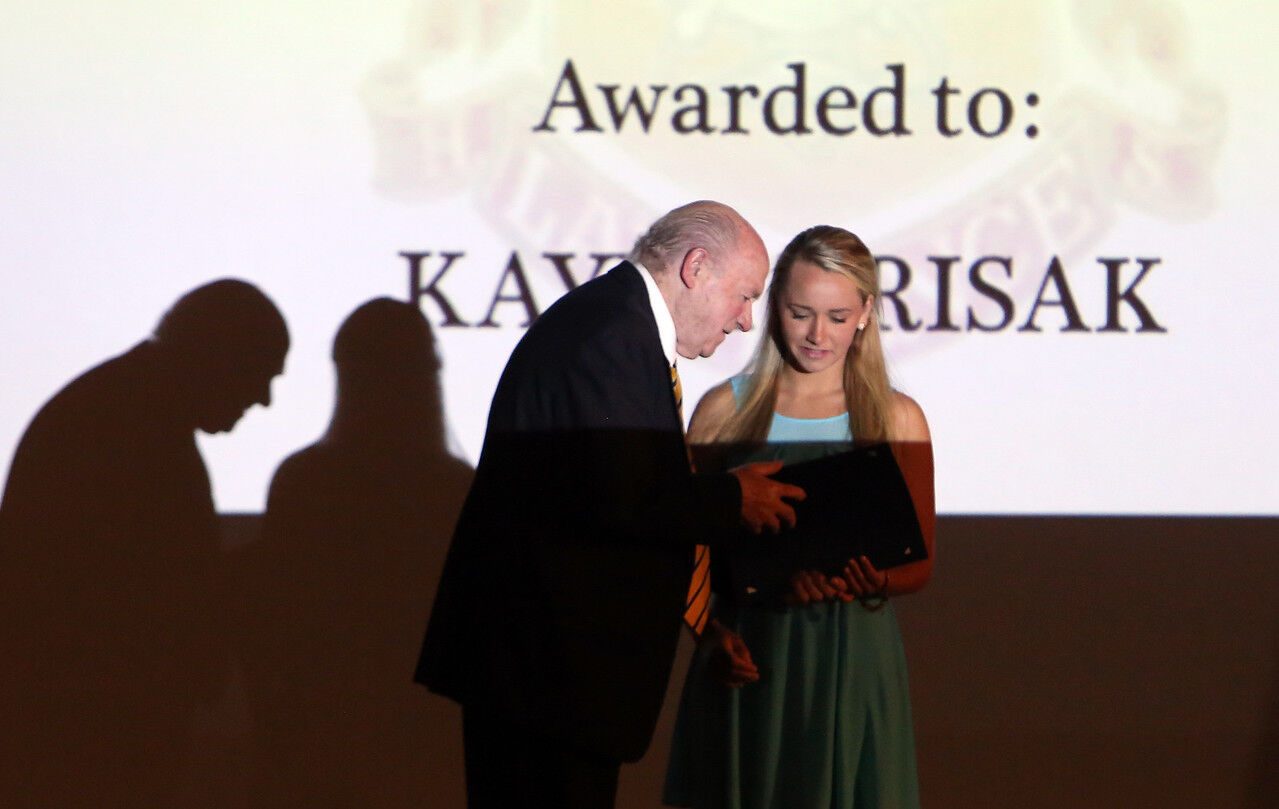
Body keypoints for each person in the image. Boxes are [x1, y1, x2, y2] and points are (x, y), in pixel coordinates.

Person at [415, 201, 806, 809]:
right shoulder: (610, 336)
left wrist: (701, 624)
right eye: (745, 296)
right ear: (696, 267)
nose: (747, 322)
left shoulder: (618, 327)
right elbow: (623, 498)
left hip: (550, 679)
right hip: (547, 682)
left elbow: (607, 499)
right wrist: (734, 496)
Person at [663, 225, 936, 809]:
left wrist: (865, 581)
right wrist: (709, 634)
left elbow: (918, 564)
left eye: (837, 316)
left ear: (865, 313)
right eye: (800, 312)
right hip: (750, 651)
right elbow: (684, 547)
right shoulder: (723, 413)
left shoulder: (896, 418)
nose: (817, 335)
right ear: (774, 308)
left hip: (852, 658)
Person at [0, 279, 288, 809]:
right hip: (97, 735)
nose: (264, 400)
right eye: (260, 373)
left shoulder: (106, 411)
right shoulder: (135, 432)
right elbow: (143, 600)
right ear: (222, 357)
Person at [236, 298, 472, 807]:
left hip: (316, 735)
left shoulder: (303, 483)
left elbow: (273, 626)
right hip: (427, 739)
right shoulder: (456, 490)